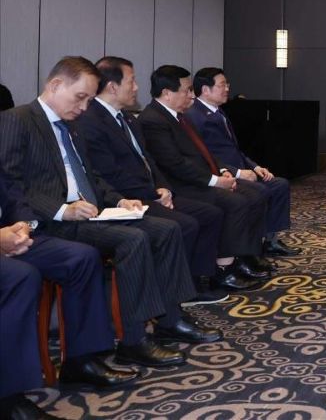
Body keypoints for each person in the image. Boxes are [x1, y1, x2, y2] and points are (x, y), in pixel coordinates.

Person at [0, 57, 220, 370]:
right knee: (133, 239)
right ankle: (133, 340)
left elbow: (91, 176)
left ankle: (170, 319)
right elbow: (11, 182)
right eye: (80, 97)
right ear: (56, 85)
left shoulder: (71, 125)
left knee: (167, 229)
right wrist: (62, 210)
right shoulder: (18, 120)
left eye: (89, 100)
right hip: (53, 220)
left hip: (90, 212)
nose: (84, 107)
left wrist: (119, 200)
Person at [74, 57, 232, 301]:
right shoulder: (91, 121)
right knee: (183, 224)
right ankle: (174, 292)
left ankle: (197, 280)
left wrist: (163, 187)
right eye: (131, 81)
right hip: (127, 198)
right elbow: (109, 173)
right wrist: (152, 194)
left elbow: (147, 159)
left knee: (209, 214)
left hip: (151, 192)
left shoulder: (126, 117)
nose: (136, 87)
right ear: (113, 86)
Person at [1, 173, 137, 418]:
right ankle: (8, 399)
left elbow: (12, 193)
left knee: (81, 258)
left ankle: (80, 361)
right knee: (20, 277)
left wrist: (23, 225)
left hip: (9, 233)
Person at [139, 65, 270, 285]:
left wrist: (222, 171)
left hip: (198, 178)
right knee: (235, 202)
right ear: (167, 93)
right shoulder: (153, 120)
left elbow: (203, 152)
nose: (192, 95)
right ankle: (224, 267)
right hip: (180, 186)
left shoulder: (179, 117)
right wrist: (216, 181)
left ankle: (242, 257)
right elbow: (174, 164)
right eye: (187, 90)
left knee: (254, 194)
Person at [187, 67, 298, 257]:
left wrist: (255, 166)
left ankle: (269, 240)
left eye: (227, 84)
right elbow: (205, 156)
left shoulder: (218, 112)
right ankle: (249, 249)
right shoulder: (195, 116)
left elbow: (234, 149)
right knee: (260, 191)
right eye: (222, 85)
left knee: (279, 185)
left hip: (241, 169)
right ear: (205, 90)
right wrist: (236, 172)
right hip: (223, 174)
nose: (227, 89)